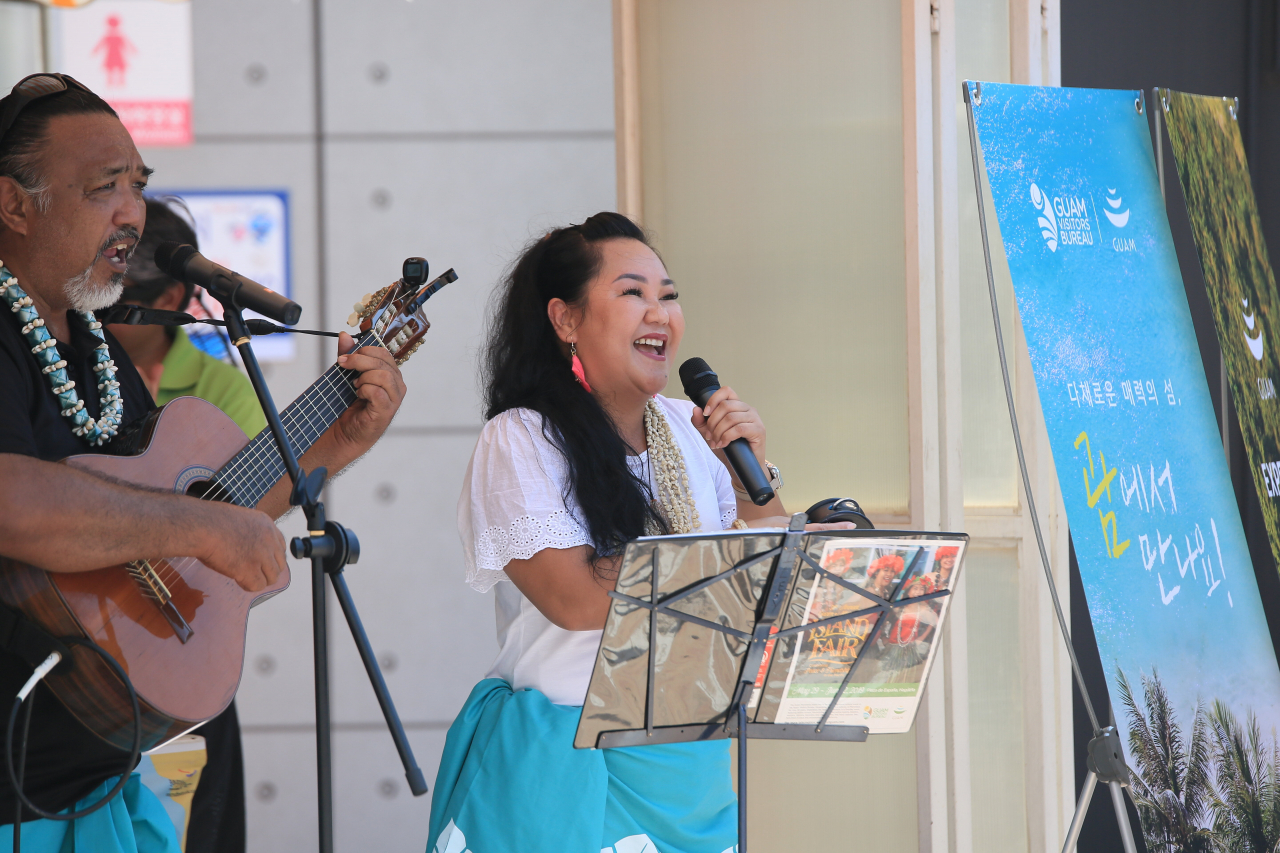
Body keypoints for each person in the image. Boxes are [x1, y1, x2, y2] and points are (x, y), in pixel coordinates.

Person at [0, 74, 406, 853]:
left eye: (138, 186)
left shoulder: (90, 346)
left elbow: (206, 508)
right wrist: (202, 524)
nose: (130, 211)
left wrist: (335, 442)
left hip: (84, 786)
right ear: (14, 206)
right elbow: (12, 496)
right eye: (102, 188)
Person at [433, 212, 848, 853]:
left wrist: (752, 481)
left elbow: (771, 581)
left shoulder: (691, 428)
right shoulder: (521, 438)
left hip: (690, 761)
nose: (660, 313)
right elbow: (575, 600)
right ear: (565, 319)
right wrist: (743, 562)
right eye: (633, 293)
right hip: (570, 764)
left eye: (669, 296)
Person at [106, 197, 265, 853]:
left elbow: (247, 521)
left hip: (177, 646)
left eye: (117, 301)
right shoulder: (75, 369)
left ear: (170, 295)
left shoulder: (221, 390)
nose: (98, 314)